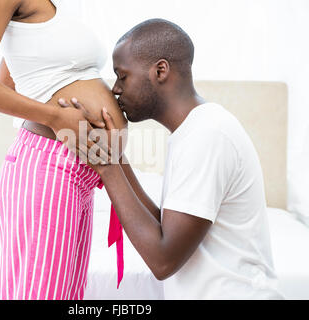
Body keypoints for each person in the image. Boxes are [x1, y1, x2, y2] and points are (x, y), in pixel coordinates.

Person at [62, 18, 285, 299]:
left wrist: (107, 168)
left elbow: (163, 259)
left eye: (123, 75)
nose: (116, 89)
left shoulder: (208, 134)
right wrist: (115, 155)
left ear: (160, 70)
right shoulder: (193, 131)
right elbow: (166, 229)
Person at [0, 0, 127, 300]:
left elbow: (10, 81)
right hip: (48, 167)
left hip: (77, 174)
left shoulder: (61, 7)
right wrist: (55, 117)